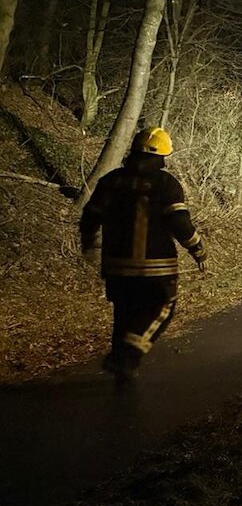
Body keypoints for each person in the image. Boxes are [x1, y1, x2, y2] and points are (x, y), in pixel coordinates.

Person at [79, 127, 207, 383]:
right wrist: (198, 249)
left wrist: (90, 246)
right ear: (162, 156)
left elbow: (90, 217)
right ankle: (127, 356)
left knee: (124, 313)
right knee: (163, 308)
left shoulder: (111, 181)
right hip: (156, 266)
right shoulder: (165, 183)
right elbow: (180, 223)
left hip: (116, 267)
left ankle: (122, 369)